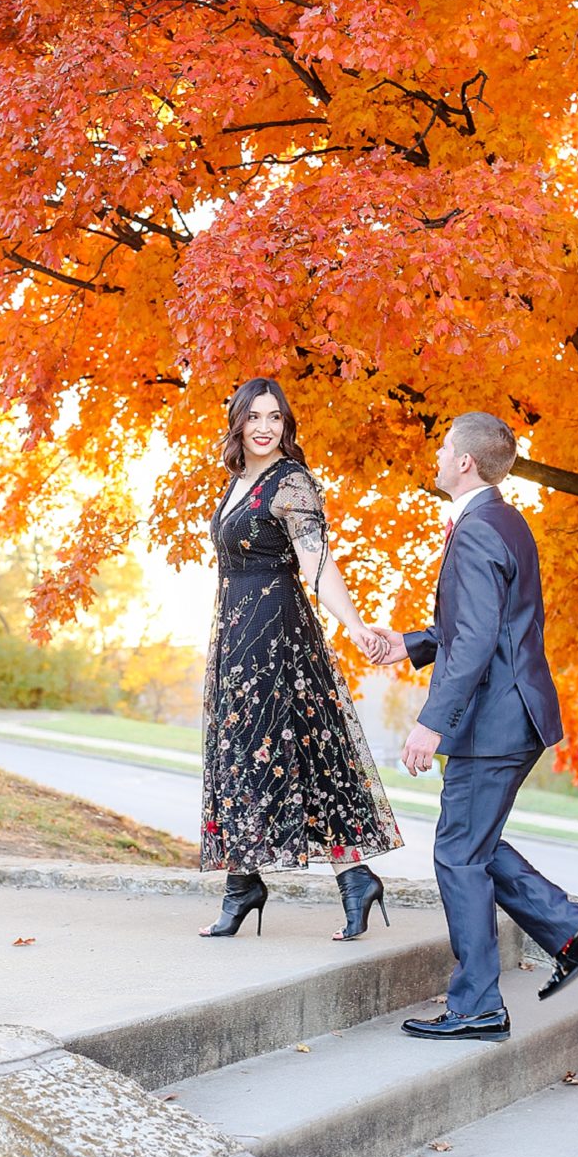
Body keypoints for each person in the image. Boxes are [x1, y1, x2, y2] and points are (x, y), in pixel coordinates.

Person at [371, 411, 578, 1042]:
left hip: (492, 722)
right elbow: (492, 625)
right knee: (475, 843)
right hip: (516, 713)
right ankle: (570, 930)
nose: (437, 454)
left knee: (457, 853)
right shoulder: (503, 520)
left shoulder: (477, 531)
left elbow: (478, 640)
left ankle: (478, 1004)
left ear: (464, 463)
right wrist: (411, 643)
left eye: (443, 447)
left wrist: (431, 724)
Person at [199, 377, 404, 941]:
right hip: (236, 634)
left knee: (305, 749)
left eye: (276, 418)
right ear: (238, 421)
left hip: (277, 633)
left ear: (286, 426)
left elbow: (316, 561)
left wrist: (355, 625)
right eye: (255, 417)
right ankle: (245, 884)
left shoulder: (291, 483)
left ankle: (350, 879)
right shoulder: (237, 482)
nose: (265, 427)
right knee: (237, 752)